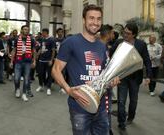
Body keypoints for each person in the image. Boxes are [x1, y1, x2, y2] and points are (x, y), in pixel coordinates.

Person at [51, 4, 119, 135]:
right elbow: (55, 70)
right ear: (84, 20)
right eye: (91, 18)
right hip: (80, 106)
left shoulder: (102, 46)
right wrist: (68, 90)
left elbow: (103, 74)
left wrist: (112, 80)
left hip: (101, 107)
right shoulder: (71, 42)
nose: (95, 22)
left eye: (99, 19)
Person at [110, 23, 152, 130]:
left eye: (128, 34)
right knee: (121, 101)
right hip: (122, 77)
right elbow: (110, 54)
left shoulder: (141, 44)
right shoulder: (119, 42)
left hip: (135, 78)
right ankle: (121, 123)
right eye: (124, 32)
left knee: (133, 101)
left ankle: (131, 117)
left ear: (134, 35)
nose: (125, 35)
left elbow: (147, 60)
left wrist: (148, 76)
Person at [10, 25, 36, 101]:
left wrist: (34, 61)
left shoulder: (31, 39)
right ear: (21, 30)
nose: (26, 31)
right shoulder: (17, 39)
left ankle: (24, 94)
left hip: (27, 62)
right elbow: (14, 50)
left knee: (26, 79)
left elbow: (34, 51)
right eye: (24, 29)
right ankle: (17, 89)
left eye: (27, 29)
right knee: (16, 78)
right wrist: (11, 61)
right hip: (18, 61)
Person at [99, 24, 115, 135]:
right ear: (108, 33)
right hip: (102, 86)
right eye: (112, 33)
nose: (113, 35)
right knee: (106, 109)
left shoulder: (105, 46)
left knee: (107, 109)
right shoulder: (100, 47)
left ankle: (107, 128)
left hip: (106, 84)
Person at [35, 28, 55, 96]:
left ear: (46, 32)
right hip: (41, 59)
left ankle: (48, 88)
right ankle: (41, 85)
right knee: (40, 73)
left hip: (48, 60)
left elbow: (53, 51)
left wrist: (51, 60)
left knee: (49, 74)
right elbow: (41, 48)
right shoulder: (42, 39)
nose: (42, 34)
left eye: (43, 32)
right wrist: (37, 54)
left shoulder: (51, 40)